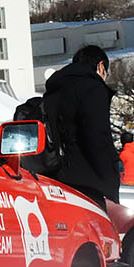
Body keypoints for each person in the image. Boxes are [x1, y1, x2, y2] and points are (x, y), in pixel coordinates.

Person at [41, 44, 119, 206]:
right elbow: (96, 136)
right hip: (90, 180)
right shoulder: (92, 88)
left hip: (58, 177)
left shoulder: (54, 90)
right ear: (100, 66)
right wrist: (110, 175)